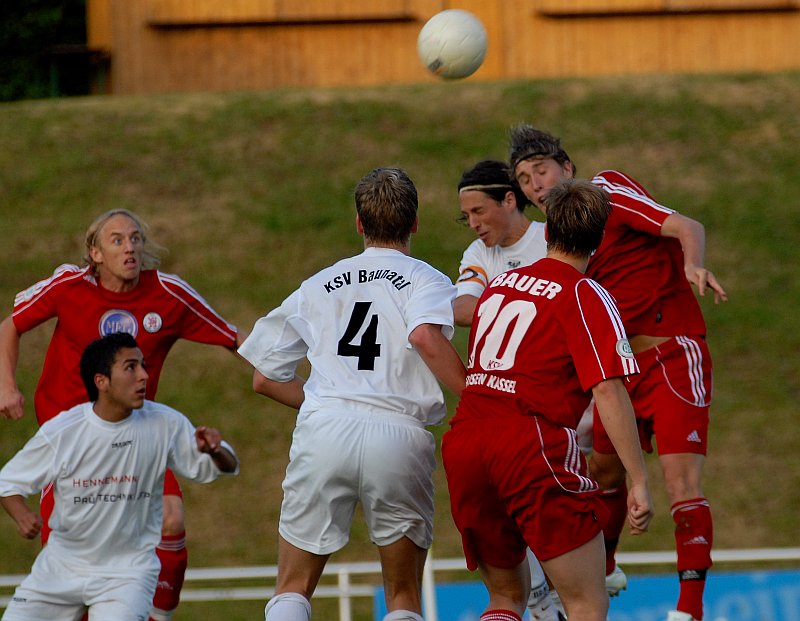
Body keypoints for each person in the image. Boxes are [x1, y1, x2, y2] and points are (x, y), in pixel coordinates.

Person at [509, 125, 728, 621]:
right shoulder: (559, 239)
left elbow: (686, 225)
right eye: (523, 179)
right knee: (603, 474)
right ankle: (603, 572)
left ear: (568, 168)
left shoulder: (606, 192)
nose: (534, 185)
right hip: (623, 374)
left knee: (679, 485)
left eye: (541, 170)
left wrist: (694, 265)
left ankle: (688, 611)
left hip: (672, 357)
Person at [238, 167, 466, 621]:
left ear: (359, 224)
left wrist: (329, 401)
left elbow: (264, 377)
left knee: (293, 589)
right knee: (403, 595)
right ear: (415, 223)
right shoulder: (430, 280)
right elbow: (425, 336)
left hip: (324, 428)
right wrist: (477, 396)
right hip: (400, 433)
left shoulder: (319, 284)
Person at [0, 208, 244, 621]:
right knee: (73, 550)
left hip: (133, 432)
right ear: (94, 252)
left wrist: (298, 374)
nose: (129, 247)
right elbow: (11, 324)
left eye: (135, 238)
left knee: (171, 516)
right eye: (117, 240)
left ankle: (156, 615)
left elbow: (236, 338)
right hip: (73, 440)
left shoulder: (168, 294)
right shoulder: (68, 285)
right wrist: (6, 385)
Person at [443, 179, 653, 621]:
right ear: (598, 239)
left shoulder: (499, 286)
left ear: (549, 227)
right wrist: (638, 479)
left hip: (467, 443)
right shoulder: (586, 293)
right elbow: (608, 391)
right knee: (585, 601)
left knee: (504, 599)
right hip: (529, 443)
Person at [0, 332, 239, 621]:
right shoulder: (63, 431)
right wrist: (22, 514)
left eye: (143, 366)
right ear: (101, 381)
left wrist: (214, 451)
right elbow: (8, 482)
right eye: (130, 367)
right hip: (59, 569)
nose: (143, 376)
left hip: (128, 574)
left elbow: (221, 466)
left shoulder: (165, 423)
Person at [454, 159, 569, 621]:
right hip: (507, 402)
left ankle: (595, 566)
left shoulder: (551, 239)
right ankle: (546, 593)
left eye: (479, 211)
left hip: (556, 391)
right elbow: (462, 307)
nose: (474, 224)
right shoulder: (478, 255)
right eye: (466, 218)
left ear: (509, 199)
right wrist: (532, 300)